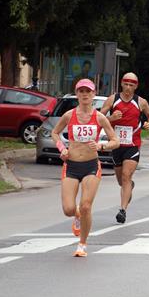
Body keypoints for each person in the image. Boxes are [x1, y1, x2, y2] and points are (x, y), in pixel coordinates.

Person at [51, 79, 119, 257]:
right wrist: (62, 149)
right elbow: (54, 133)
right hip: (71, 165)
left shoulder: (99, 117)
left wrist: (101, 146)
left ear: (93, 94)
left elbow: (115, 141)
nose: (85, 95)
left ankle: (82, 244)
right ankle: (77, 214)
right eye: (81, 92)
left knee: (86, 205)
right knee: (68, 209)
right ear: (77, 95)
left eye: (88, 92)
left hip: (91, 165)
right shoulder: (69, 115)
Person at [100, 73, 149, 224]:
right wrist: (111, 118)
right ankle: (129, 187)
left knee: (126, 175)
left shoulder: (141, 102)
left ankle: (122, 210)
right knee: (121, 181)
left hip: (133, 145)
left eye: (132, 85)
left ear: (136, 86)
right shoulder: (113, 99)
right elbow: (98, 117)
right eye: (126, 84)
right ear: (121, 84)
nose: (128, 88)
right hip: (116, 145)